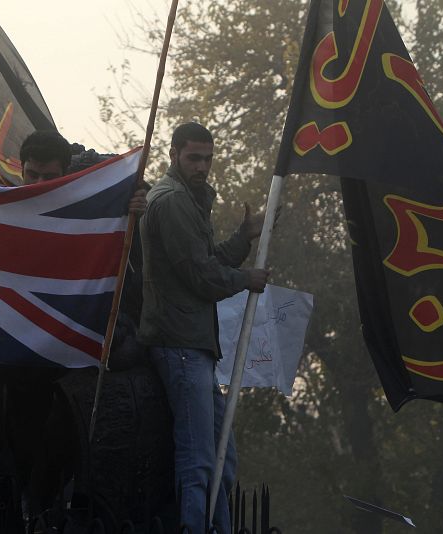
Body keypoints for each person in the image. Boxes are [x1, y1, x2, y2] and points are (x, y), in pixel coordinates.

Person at [0, 130, 147, 529]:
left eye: (48, 176)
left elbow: (127, 275)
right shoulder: (4, 208)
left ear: (65, 175)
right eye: (31, 174)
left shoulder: (86, 217)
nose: (38, 185)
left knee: (44, 471)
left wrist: (130, 216)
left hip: (49, 371)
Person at [138, 122, 270, 533]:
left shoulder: (189, 200)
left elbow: (206, 261)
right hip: (178, 344)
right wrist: (246, 279)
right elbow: (201, 277)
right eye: (195, 157)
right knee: (198, 461)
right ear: (175, 153)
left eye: (208, 159)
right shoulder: (173, 201)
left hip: (195, 346)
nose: (203, 167)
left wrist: (243, 238)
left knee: (222, 463)